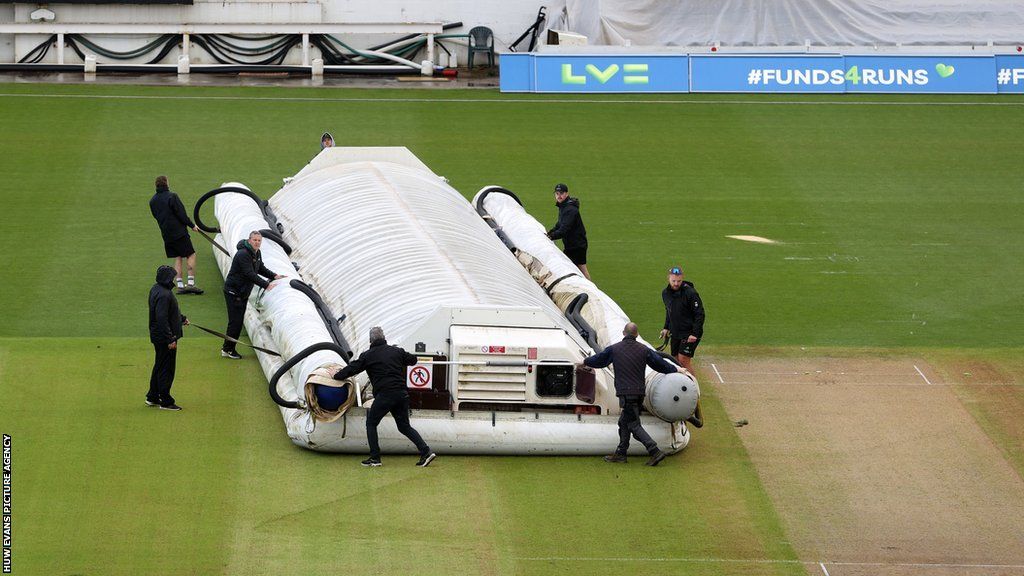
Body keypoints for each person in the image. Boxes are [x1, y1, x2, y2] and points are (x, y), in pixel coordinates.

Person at [583, 322, 686, 466]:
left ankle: (654, 451)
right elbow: (660, 364)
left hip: (626, 393)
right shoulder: (644, 350)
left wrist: (585, 361)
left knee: (633, 425)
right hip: (639, 393)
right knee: (624, 422)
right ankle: (621, 453)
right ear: (636, 335)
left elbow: (599, 360)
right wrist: (676, 370)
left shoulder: (615, 349)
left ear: (623, 333)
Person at [332, 327, 436, 468]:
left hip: (385, 395)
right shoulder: (396, 351)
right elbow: (413, 360)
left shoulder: (368, 355)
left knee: (371, 423)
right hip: (402, 394)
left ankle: (375, 458)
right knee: (404, 426)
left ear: (370, 340)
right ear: (384, 337)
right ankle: (426, 451)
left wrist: (336, 375)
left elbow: (352, 369)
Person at [221, 231, 283, 359]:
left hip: (242, 292)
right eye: (254, 240)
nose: (257, 242)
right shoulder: (243, 254)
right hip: (234, 292)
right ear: (249, 240)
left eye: (259, 240)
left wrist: (274, 276)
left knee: (237, 322)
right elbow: (249, 273)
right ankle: (228, 349)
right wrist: (266, 285)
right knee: (235, 322)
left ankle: (228, 348)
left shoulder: (256, 252)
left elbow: (260, 268)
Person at [149, 175, 203, 295]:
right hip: (179, 232)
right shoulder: (172, 197)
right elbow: (181, 214)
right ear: (166, 183)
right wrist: (192, 225)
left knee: (178, 257)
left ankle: (179, 285)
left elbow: (156, 216)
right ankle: (190, 284)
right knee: (191, 255)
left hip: (166, 234)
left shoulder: (152, 201)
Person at [148, 265, 189, 411]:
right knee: (167, 368)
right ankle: (165, 400)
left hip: (158, 336)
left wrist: (181, 319)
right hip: (165, 338)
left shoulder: (156, 289)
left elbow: (168, 313)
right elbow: (162, 318)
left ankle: (153, 396)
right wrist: (170, 338)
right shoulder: (165, 294)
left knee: (159, 365)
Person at [659, 266, 705, 371]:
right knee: (675, 361)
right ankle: (681, 385)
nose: (676, 283)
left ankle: (693, 386)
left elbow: (700, 314)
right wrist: (666, 327)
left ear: (682, 278)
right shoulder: (665, 293)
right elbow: (669, 311)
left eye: (679, 281)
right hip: (676, 331)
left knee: (683, 360)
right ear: (668, 278)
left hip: (689, 332)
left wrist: (694, 333)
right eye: (673, 281)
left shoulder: (691, 293)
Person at [546, 183, 590, 280]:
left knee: (572, 268)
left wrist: (551, 236)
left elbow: (564, 229)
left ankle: (590, 290)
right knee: (581, 268)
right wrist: (551, 232)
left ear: (566, 194)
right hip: (575, 244)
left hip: (576, 246)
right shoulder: (564, 206)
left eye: (561, 193)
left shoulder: (570, 210)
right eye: (557, 193)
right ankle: (591, 289)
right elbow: (560, 223)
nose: (559, 196)